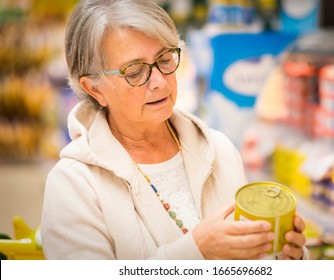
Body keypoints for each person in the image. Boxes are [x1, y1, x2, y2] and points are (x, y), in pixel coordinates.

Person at [41, 0, 308, 260]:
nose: (158, 81)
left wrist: (284, 259)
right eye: (134, 71)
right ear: (94, 89)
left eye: (165, 58)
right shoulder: (72, 184)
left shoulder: (218, 149)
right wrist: (197, 250)